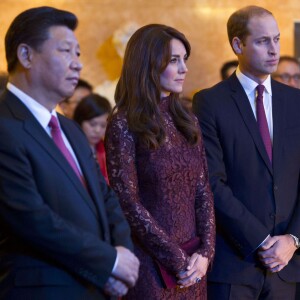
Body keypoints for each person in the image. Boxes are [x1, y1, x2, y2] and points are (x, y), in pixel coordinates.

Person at [0, 6, 139, 300]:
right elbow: (31, 218)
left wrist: (122, 252)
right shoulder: (4, 125)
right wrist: (108, 262)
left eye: (78, 54)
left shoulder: (70, 128)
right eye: (66, 51)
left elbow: (104, 196)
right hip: (43, 288)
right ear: (26, 56)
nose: (77, 64)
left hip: (96, 286)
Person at [193, 5, 300, 300]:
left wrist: (292, 239)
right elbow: (211, 182)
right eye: (263, 41)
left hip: (288, 267)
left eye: (277, 39)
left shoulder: (296, 101)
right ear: (238, 44)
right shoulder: (210, 102)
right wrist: (261, 241)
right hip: (235, 264)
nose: (274, 49)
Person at [105, 24, 215, 300]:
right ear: (148, 64)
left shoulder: (188, 121)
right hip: (152, 266)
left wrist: (205, 253)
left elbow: (203, 191)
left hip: (194, 266)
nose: (184, 69)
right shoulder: (123, 124)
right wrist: (177, 258)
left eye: (184, 60)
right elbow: (127, 202)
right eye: (174, 60)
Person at [73, 93, 112, 184]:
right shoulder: (72, 148)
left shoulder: (107, 148)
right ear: (80, 121)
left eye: (103, 125)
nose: (97, 130)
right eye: (92, 124)